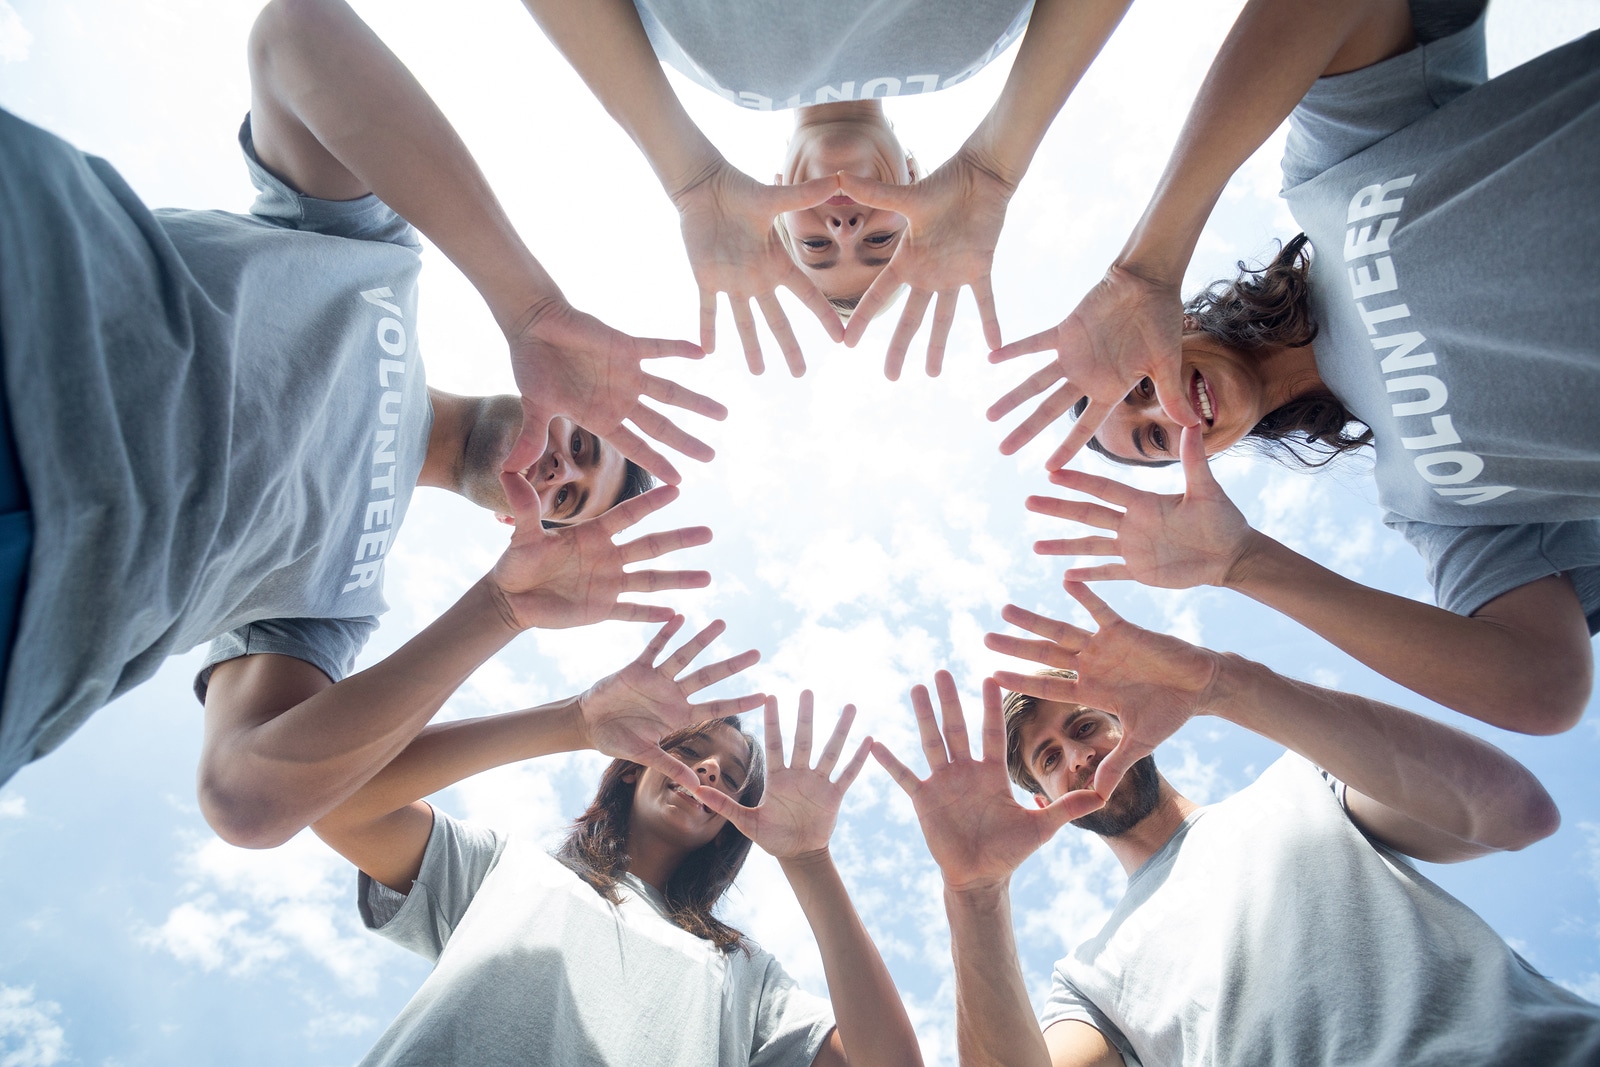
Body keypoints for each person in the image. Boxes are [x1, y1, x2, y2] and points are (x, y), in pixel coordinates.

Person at [0, 0, 725, 846]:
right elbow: (296, 35)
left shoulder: (335, 601)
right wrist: (532, 306)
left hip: (39, 595)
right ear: (557, 397)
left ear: (517, 520)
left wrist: (499, 610)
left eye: (569, 498)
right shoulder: (373, 258)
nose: (561, 468)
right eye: (585, 443)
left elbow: (245, 797)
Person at [991, 1, 1600, 735]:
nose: (1167, 410)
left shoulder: (1331, 174)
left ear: (1177, 325)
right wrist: (1243, 561)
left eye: (1140, 387)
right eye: (1153, 437)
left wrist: (1142, 268)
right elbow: (1543, 688)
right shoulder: (1425, 498)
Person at [870, 584, 1600, 1067]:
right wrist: (974, 894)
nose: (1078, 757)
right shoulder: (1090, 977)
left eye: (1085, 724)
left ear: (1130, 719)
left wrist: (1225, 684)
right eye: (1048, 758)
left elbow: (1514, 813)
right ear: (1041, 793)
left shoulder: (1303, 784)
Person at [313, 618, 921, 1067]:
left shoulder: (746, 974)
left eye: (731, 779)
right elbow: (332, 798)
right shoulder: (500, 868)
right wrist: (573, 722)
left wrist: (809, 861)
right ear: (634, 766)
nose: (708, 771)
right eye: (688, 752)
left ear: (732, 820)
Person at [518, 0, 1137, 378]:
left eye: (816, 249)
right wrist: (997, 168)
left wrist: (688, 178)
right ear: (918, 180)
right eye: (881, 243)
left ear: (778, 198)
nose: (846, 231)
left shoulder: (706, 66)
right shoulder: (970, 49)